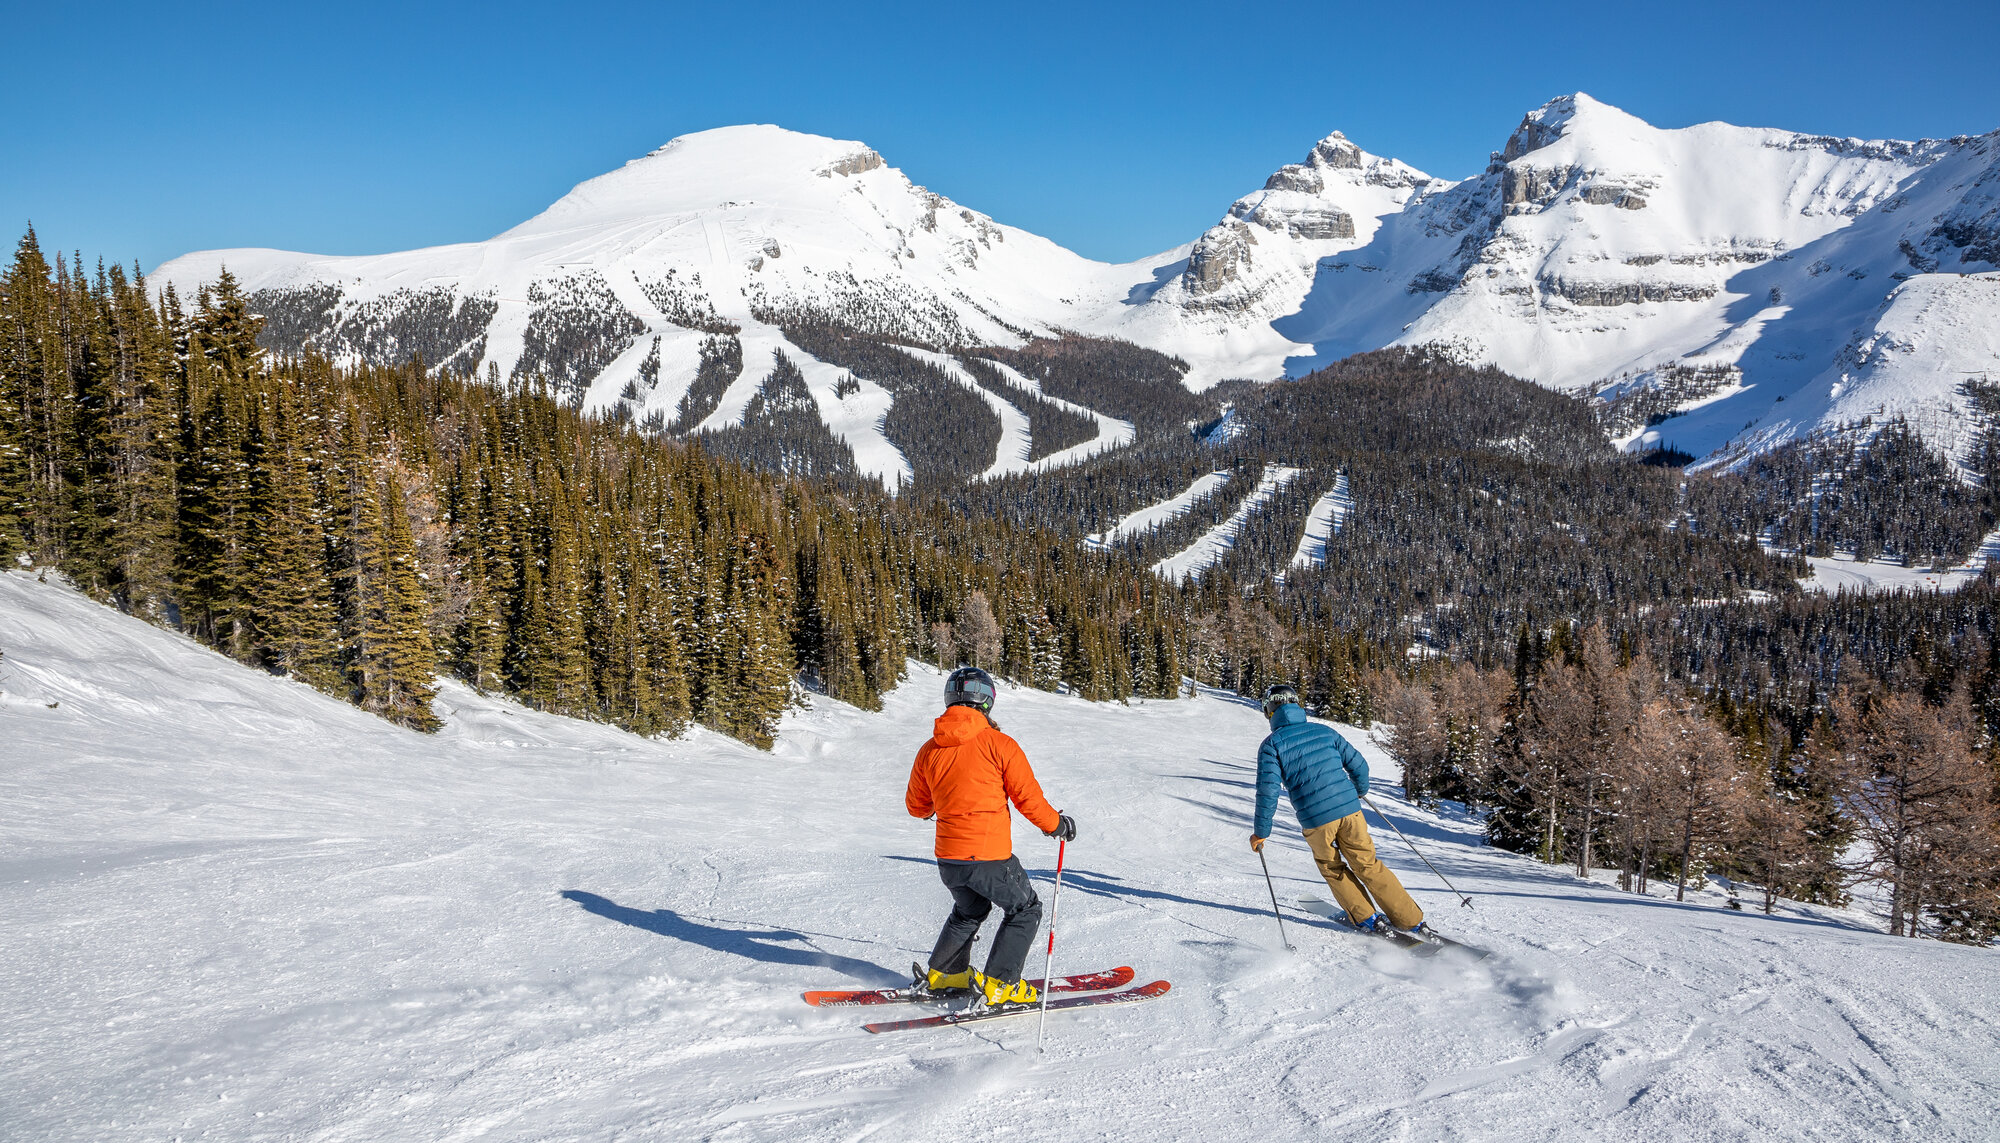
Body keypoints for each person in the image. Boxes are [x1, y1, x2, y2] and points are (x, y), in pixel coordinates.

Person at [906, 666, 1077, 1007]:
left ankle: (947, 974)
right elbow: (1027, 798)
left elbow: (917, 805)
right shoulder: (999, 744)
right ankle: (1001, 984)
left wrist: (935, 807)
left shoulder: (929, 749)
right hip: (988, 856)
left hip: (949, 859)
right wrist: (1056, 824)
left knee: (970, 909)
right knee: (1025, 908)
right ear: (987, 701)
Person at [1249, 682, 1426, 936]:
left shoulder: (1272, 745)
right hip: (1351, 811)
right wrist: (1359, 791)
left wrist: (1261, 831)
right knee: (1368, 864)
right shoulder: (1325, 732)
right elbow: (1360, 766)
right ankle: (1411, 920)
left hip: (1316, 821)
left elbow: (1268, 791)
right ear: (1296, 704)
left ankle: (1367, 918)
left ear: (1270, 712)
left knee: (1332, 868)